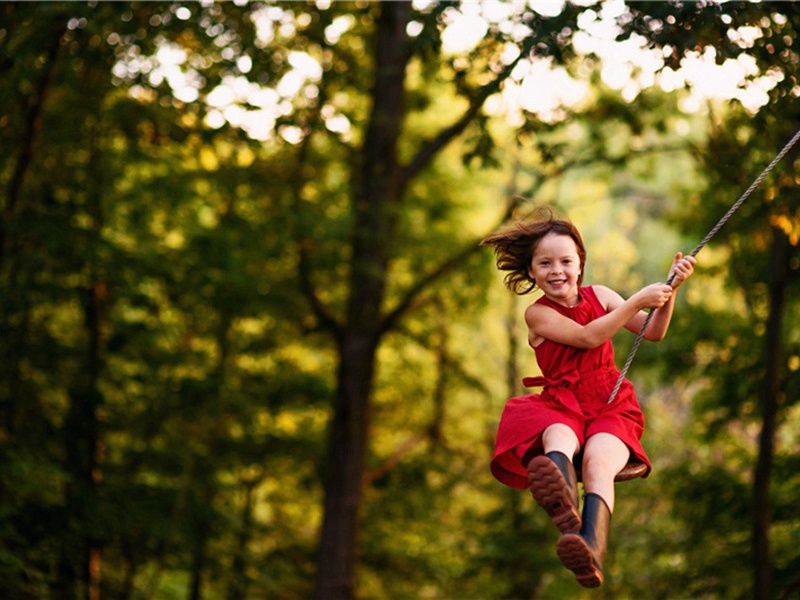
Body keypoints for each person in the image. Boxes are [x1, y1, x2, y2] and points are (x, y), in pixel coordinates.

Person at [481, 211, 695, 588]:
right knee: (558, 436)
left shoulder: (603, 296)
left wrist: (669, 291)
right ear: (531, 272)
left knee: (599, 461)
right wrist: (637, 300)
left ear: (580, 264)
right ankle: (562, 499)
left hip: (609, 403)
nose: (556, 270)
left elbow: (655, 331)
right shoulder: (538, 314)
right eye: (544, 263)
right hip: (563, 402)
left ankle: (590, 549)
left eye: (566, 261)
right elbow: (587, 337)